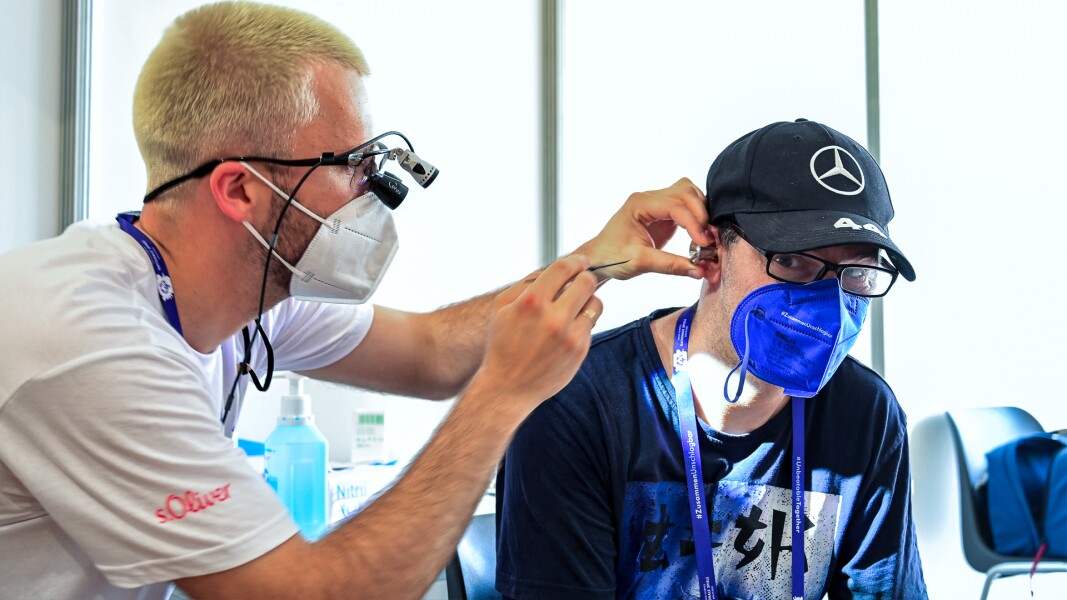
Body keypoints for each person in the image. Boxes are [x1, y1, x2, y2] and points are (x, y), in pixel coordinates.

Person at [0, 3, 713, 599]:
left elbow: (432, 353)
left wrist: (595, 261)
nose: (377, 193)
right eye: (352, 167)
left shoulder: (249, 293)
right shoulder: (89, 343)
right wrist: (501, 397)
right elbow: (311, 593)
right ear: (240, 189)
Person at [496, 118, 929, 599]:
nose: (827, 303)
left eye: (858, 273)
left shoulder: (865, 413)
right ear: (711, 254)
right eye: (791, 260)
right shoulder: (578, 402)